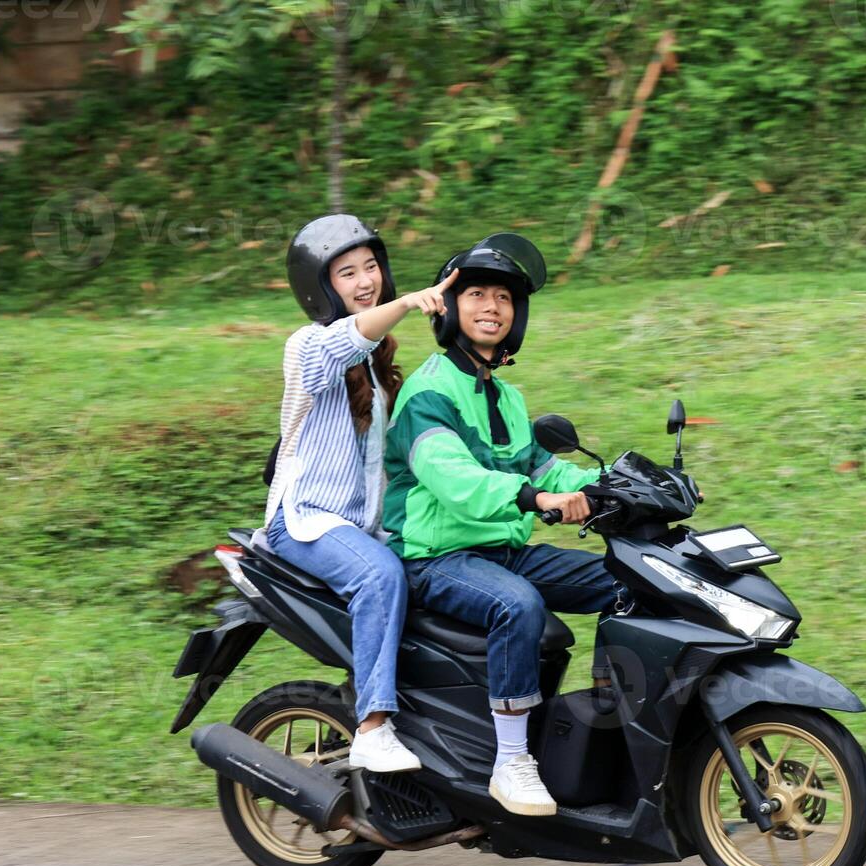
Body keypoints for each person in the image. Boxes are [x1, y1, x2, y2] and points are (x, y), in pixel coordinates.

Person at [382, 233, 622, 816]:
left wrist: (619, 481)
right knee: (517, 606)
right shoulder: (427, 392)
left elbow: (544, 466)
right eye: (478, 295)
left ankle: (611, 719)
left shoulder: (507, 396)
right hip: (433, 557)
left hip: (500, 550)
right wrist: (534, 498)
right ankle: (510, 762)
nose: (492, 307)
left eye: (504, 299)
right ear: (451, 308)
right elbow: (458, 484)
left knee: (627, 581)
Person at [265, 213, 460, 772]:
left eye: (371, 267)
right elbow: (339, 347)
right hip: (305, 521)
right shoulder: (307, 345)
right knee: (379, 576)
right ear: (321, 287)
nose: (365, 280)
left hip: (364, 528)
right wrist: (407, 303)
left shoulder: (377, 368)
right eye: (346, 273)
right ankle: (374, 727)